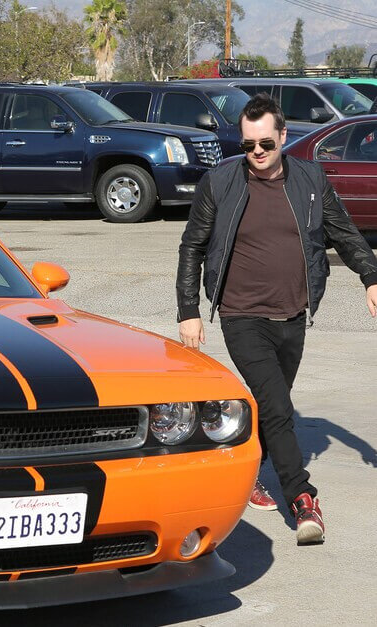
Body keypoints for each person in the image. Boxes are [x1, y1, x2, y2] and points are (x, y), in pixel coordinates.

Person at [176, 93, 377, 545]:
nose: (257, 153)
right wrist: (188, 311)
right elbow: (192, 246)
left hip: (292, 313)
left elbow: (343, 232)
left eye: (265, 142)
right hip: (240, 314)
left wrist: (370, 276)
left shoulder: (310, 178)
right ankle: (303, 499)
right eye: (248, 145)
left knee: (271, 408)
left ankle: (241, 477)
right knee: (279, 408)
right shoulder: (221, 181)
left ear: (284, 136)